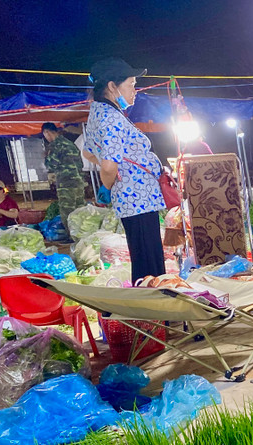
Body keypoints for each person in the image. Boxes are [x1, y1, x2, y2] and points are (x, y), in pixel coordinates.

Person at [84, 57, 166, 283]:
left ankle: (150, 311)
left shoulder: (99, 112)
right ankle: (156, 310)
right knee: (150, 264)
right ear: (112, 86)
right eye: (131, 84)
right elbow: (109, 164)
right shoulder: (111, 119)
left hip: (134, 199)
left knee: (143, 258)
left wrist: (117, 174)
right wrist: (108, 184)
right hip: (137, 200)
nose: (135, 90)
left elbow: (88, 152)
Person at [42, 122, 88, 228]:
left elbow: (51, 164)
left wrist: (46, 157)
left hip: (66, 183)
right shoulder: (70, 144)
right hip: (79, 182)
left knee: (67, 210)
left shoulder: (54, 146)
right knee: (80, 209)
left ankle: (71, 237)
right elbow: (80, 164)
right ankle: (83, 234)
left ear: (47, 132)